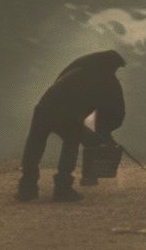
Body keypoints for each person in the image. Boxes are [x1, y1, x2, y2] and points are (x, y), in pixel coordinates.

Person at [16, 50, 126, 202]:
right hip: (67, 115)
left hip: (44, 107)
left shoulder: (77, 70)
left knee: (35, 145)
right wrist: (104, 133)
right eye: (115, 68)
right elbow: (111, 111)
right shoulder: (105, 80)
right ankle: (63, 188)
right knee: (71, 145)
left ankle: (27, 189)